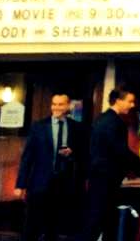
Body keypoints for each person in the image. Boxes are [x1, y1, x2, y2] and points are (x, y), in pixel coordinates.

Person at [15, 92, 86, 241]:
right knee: (31, 226)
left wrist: (72, 152)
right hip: (39, 184)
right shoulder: (38, 127)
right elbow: (27, 157)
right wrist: (20, 185)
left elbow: (84, 153)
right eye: (54, 104)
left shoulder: (76, 127)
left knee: (53, 226)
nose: (56, 107)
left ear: (68, 106)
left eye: (60, 104)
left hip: (62, 184)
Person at [84, 86, 139, 241]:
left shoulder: (102, 119)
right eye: (130, 101)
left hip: (99, 177)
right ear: (118, 101)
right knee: (99, 221)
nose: (132, 105)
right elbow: (120, 150)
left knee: (98, 220)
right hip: (106, 179)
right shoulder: (114, 122)